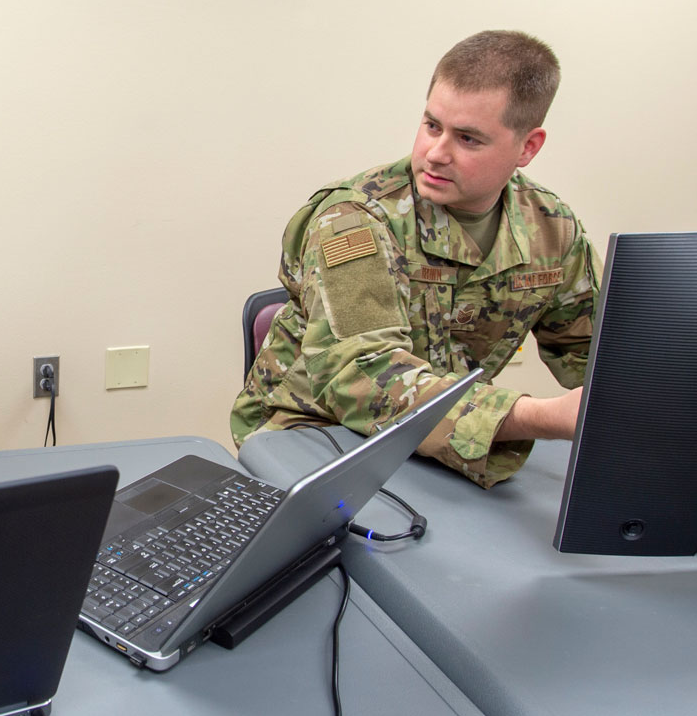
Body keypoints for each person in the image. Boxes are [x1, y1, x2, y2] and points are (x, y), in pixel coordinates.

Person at [230, 30, 595, 487]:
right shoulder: (355, 218)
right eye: (432, 126)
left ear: (528, 147)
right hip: (314, 434)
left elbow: (599, 353)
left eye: (468, 139)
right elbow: (363, 376)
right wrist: (541, 416)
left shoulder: (550, 226)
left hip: (432, 442)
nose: (435, 154)